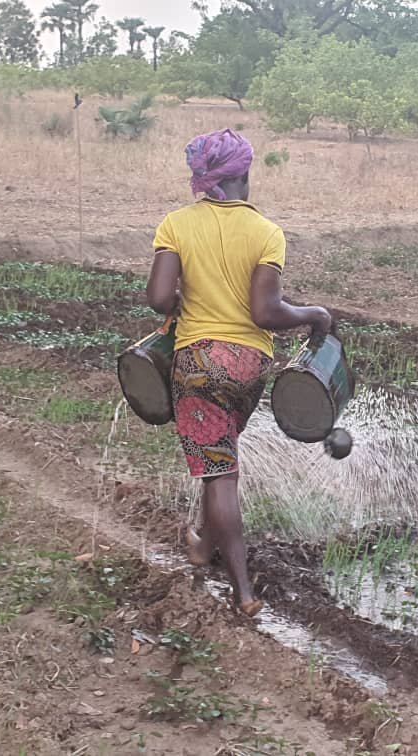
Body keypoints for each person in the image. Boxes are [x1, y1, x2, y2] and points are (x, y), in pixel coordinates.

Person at [146, 129, 332, 618]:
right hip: (249, 368)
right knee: (220, 459)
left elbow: (160, 300)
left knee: (219, 475)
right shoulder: (266, 232)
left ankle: (244, 593)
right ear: (243, 177)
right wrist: (312, 313)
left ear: (205, 181)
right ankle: (203, 544)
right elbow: (266, 313)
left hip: (198, 364)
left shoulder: (176, 225)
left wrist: (191, 297)